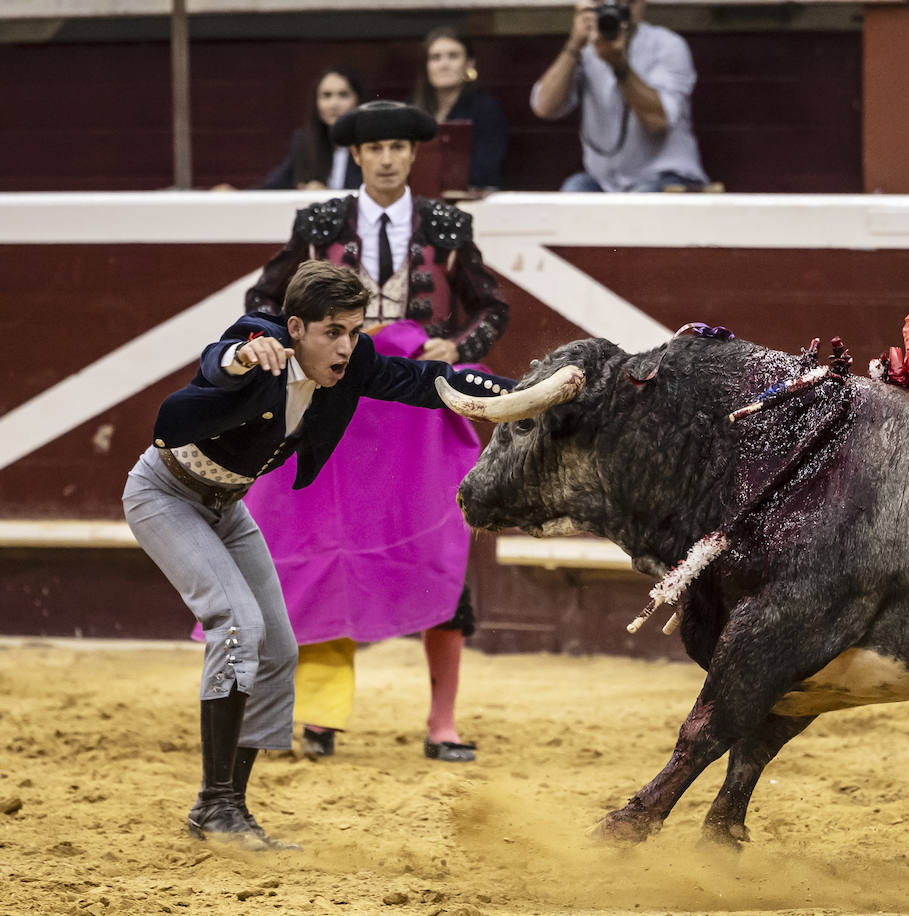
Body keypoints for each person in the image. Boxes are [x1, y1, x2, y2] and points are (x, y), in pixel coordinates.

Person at [122, 261, 511, 849]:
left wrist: (515, 396)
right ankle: (216, 804)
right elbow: (219, 358)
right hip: (164, 494)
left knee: (278, 645)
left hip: (227, 508)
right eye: (333, 331)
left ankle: (227, 808)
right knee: (237, 625)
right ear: (297, 327)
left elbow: (432, 381)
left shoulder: (354, 367)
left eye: (355, 331)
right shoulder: (262, 341)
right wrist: (245, 355)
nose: (346, 346)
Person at [244, 100, 509, 764]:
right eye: (376, 148)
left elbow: (492, 306)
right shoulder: (318, 223)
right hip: (340, 402)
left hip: (416, 415)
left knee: (437, 550)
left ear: (414, 155)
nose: (388, 157)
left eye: (399, 147)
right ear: (357, 157)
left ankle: (442, 723)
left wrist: (453, 344)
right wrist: (290, 349)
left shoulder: (447, 224)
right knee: (328, 548)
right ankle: (322, 718)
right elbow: (263, 301)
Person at [530, 0, 708, 192]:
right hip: (603, 182)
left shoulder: (667, 45)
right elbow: (544, 107)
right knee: (574, 189)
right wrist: (574, 45)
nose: (617, 13)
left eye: (628, 3)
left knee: (641, 201)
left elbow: (658, 120)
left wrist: (618, 65)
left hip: (665, 176)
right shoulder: (586, 49)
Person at [412, 27, 508, 190]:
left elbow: (487, 168)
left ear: (469, 63)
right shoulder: (411, 109)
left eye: (453, 56)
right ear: (426, 65)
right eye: (435, 58)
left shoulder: (485, 108)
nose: (444, 64)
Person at [257, 67, 366, 191]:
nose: (333, 104)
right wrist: (237, 194)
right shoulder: (304, 143)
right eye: (326, 96)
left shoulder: (371, 143)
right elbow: (273, 186)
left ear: (358, 100)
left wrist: (324, 195)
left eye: (343, 95)